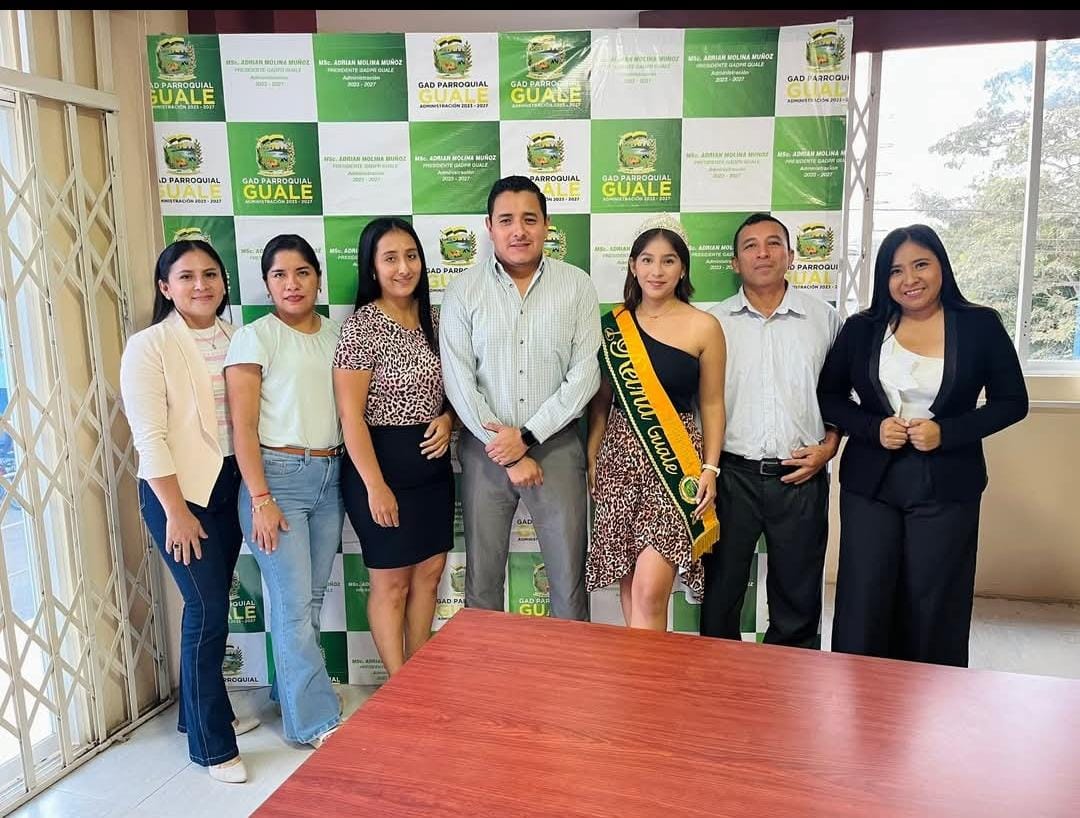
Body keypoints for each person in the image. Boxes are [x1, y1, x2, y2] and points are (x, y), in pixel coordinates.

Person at [818, 224, 1028, 667]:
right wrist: (872, 427)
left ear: (941, 268)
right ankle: (859, 695)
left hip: (947, 484)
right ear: (883, 278)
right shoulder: (862, 328)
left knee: (934, 601)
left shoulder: (979, 324)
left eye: (920, 265)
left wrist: (946, 432)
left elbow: (1013, 402)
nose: (909, 279)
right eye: (896, 270)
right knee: (864, 598)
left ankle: (930, 700)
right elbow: (829, 396)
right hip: (871, 484)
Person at [120, 239, 258, 783]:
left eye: (210, 274)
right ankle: (211, 746)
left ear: (224, 282)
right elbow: (149, 438)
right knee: (206, 609)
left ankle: (198, 715)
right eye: (186, 276)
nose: (201, 285)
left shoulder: (237, 337)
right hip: (177, 494)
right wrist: (176, 511)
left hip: (228, 488)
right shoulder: (148, 346)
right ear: (165, 287)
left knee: (209, 606)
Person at [440, 176, 601, 621]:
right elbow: (458, 379)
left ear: (546, 225)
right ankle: (487, 667)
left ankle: (570, 666)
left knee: (569, 581)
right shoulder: (463, 290)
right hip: (484, 450)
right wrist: (506, 449)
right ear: (489, 226)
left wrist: (527, 436)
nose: (519, 231)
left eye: (530, 219)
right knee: (482, 583)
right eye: (506, 220)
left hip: (557, 447)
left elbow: (585, 374)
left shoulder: (576, 286)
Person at [700, 213, 842, 648]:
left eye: (774, 243)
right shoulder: (712, 323)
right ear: (734, 262)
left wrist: (829, 448)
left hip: (801, 475)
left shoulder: (824, 319)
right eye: (751, 246)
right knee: (721, 592)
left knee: (798, 597)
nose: (763, 253)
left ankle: (789, 682)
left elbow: (843, 396)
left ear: (791, 255)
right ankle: (718, 678)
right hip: (731, 477)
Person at [224, 234, 343, 748]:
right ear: (267, 283)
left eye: (302, 272)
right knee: (293, 607)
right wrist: (261, 499)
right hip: (277, 479)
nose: (292, 284)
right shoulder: (255, 338)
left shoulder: (336, 334)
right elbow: (243, 428)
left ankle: (291, 695)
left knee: (309, 601)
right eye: (279, 275)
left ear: (318, 278)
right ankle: (314, 722)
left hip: (330, 475)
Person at [585, 215, 726, 630]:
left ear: (683, 268)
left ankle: (646, 673)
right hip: (619, 460)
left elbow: (712, 404)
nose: (656, 271)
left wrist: (710, 468)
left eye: (668, 261)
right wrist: (593, 453)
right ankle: (640, 670)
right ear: (633, 266)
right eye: (647, 260)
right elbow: (601, 402)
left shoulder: (705, 326)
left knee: (650, 590)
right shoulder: (612, 326)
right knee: (630, 584)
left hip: (674, 462)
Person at [334, 218, 454, 675]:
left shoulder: (435, 321)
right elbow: (351, 417)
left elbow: (457, 391)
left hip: (433, 473)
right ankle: (398, 686)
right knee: (392, 586)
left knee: (428, 577)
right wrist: (375, 486)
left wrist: (448, 418)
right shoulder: (361, 327)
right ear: (372, 268)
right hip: (380, 469)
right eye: (390, 259)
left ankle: (418, 678)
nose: (404, 268)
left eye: (411, 256)